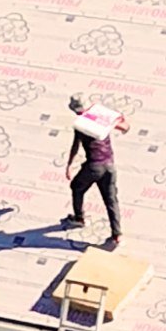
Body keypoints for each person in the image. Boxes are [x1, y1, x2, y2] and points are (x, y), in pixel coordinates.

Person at [62, 96, 128, 246]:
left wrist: (69, 165)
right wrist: (115, 121)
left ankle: (79, 218)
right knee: (111, 200)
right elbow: (125, 127)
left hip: (93, 167)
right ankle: (117, 235)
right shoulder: (101, 120)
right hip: (109, 166)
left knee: (76, 187)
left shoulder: (81, 125)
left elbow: (75, 146)